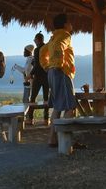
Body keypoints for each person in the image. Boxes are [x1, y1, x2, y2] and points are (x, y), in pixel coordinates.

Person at [40, 13, 78, 147]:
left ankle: (52, 138)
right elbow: (58, 47)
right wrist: (58, 64)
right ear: (65, 25)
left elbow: (42, 52)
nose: (72, 25)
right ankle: (66, 140)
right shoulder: (65, 35)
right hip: (61, 73)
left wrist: (46, 66)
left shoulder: (53, 37)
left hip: (52, 72)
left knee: (57, 107)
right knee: (70, 107)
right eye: (70, 22)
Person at [25, 32, 50, 126]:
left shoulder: (37, 49)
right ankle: (46, 120)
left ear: (38, 40)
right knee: (46, 99)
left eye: (35, 39)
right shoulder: (47, 48)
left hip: (38, 77)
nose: (34, 41)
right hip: (47, 76)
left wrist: (30, 74)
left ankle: (30, 119)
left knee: (33, 98)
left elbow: (37, 65)